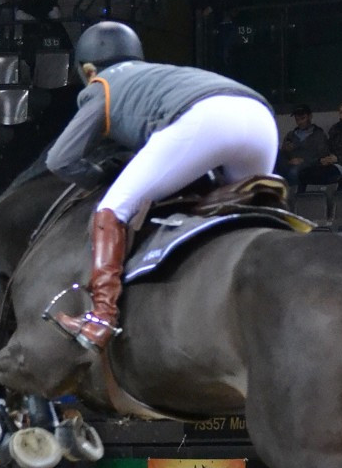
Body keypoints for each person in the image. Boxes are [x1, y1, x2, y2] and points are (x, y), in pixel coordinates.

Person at [45, 20, 277, 354]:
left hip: (204, 120)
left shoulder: (103, 84)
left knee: (112, 208)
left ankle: (101, 318)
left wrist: (99, 176)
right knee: (245, 216)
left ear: (89, 69)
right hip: (260, 119)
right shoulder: (159, 73)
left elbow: (60, 160)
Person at [298, 101, 342, 188]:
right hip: (332, 163)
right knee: (304, 173)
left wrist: (337, 159)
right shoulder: (335, 129)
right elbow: (328, 148)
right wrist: (325, 159)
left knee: (324, 173)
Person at [195, 0, 246, 75]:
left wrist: (214, 7)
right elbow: (202, 3)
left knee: (233, 50)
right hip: (216, 26)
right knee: (219, 52)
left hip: (235, 24)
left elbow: (235, 1)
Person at [14, 0, 69, 71]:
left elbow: (56, 15)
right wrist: (35, 19)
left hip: (50, 32)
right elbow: (19, 15)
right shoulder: (25, 1)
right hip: (32, 34)